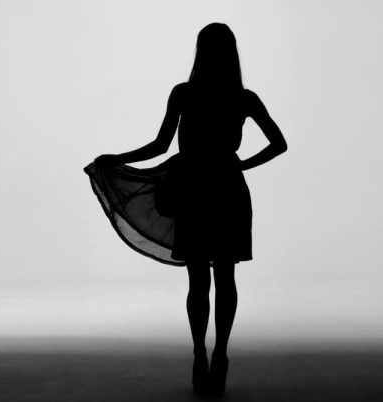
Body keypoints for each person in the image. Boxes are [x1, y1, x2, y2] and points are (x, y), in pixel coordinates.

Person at [85, 22, 287, 398]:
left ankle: (199, 357)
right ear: (232, 54)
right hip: (226, 189)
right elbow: (279, 144)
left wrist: (118, 159)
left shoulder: (184, 93)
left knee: (199, 281)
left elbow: (160, 145)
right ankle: (220, 355)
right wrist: (240, 165)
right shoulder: (244, 98)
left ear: (200, 52)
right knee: (225, 277)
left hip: (193, 189)